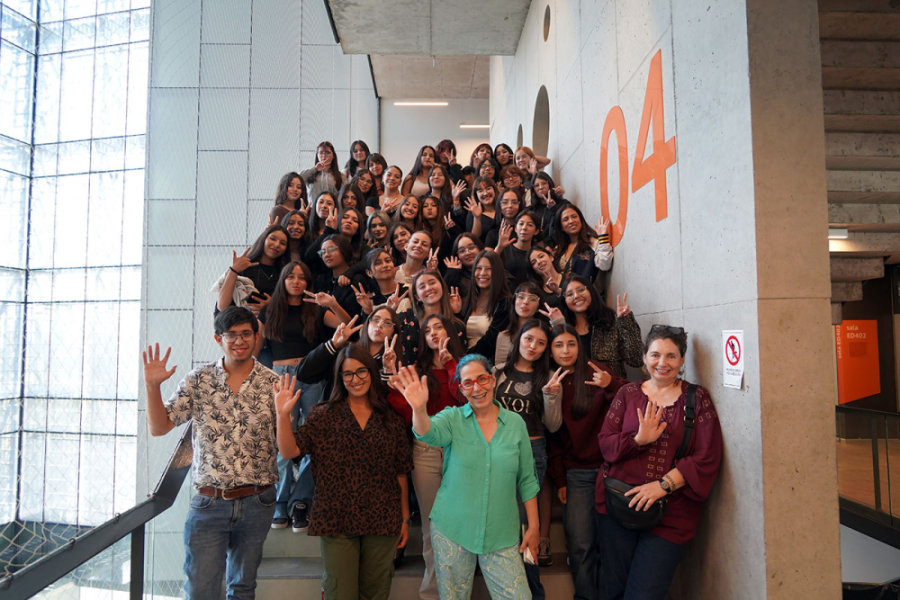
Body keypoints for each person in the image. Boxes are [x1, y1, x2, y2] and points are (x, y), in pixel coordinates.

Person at [143, 307, 280, 600]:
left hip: (258, 500)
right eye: (232, 335)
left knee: (243, 589)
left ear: (257, 338)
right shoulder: (199, 379)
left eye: (246, 334)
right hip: (209, 502)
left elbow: (288, 444)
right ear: (219, 338)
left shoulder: (273, 383)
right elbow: (159, 427)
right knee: (200, 590)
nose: (239, 341)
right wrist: (152, 386)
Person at [392, 355, 540, 600]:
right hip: (453, 529)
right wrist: (418, 409)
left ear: (492, 381)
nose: (476, 387)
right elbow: (427, 433)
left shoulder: (515, 424)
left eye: (482, 379)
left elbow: (527, 480)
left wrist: (533, 527)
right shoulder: (452, 418)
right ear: (461, 388)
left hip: (501, 533)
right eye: (467, 383)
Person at [275, 345, 413, 600]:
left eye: (361, 371)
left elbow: (401, 471)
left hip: (383, 516)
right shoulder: (323, 414)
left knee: (377, 591)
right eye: (347, 374)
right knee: (340, 592)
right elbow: (289, 451)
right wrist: (283, 415)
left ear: (371, 373)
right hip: (336, 518)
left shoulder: (389, 418)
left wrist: (405, 518)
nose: (355, 379)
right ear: (340, 377)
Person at [596, 326, 723, 600]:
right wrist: (638, 440)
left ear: (682, 359)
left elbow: (707, 455)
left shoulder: (696, 398)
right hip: (617, 505)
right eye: (655, 355)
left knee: (644, 594)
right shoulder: (628, 394)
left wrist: (663, 485)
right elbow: (606, 443)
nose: (662, 363)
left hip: (671, 514)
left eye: (671, 356)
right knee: (614, 590)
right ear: (644, 357)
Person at [256, 261, 349, 532]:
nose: (296, 281)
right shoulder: (269, 309)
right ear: (283, 280)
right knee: (283, 441)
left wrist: (331, 303)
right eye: (291, 276)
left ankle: (300, 501)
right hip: (280, 376)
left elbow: (346, 325)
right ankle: (279, 503)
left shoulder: (315, 310)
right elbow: (256, 348)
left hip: (311, 375)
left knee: (313, 439)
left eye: (302, 277)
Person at [386, 313, 465, 600]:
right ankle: (433, 593)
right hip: (426, 452)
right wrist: (396, 385)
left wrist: (451, 365)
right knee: (434, 526)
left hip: (461, 450)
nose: (433, 333)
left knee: (461, 523)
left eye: (438, 327)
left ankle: (457, 590)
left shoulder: (465, 365)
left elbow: (472, 402)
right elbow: (404, 412)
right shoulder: (415, 370)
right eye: (427, 329)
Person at [545, 323, 626, 600]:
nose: (565, 351)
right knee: (580, 544)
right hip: (576, 474)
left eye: (571, 344)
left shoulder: (597, 370)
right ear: (550, 350)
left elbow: (631, 403)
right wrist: (559, 478)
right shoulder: (551, 380)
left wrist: (611, 384)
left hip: (611, 469)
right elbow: (551, 436)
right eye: (558, 345)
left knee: (611, 544)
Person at [559, 276, 642, 378]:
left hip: (612, 391)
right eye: (569, 294)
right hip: (578, 392)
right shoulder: (565, 330)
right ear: (565, 301)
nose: (576, 296)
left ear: (591, 291)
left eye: (581, 290)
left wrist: (626, 322)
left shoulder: (611, 323)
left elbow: (636, 360)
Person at [552, 203, 613, 283]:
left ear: (581, 219)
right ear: (561, 227)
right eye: (565, 219)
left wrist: (603, 239)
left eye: (574, 217)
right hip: (562, 293)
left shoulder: (592, 243)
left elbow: (605, 265)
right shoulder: (559, 248)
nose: (571, 221)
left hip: (583, 292)